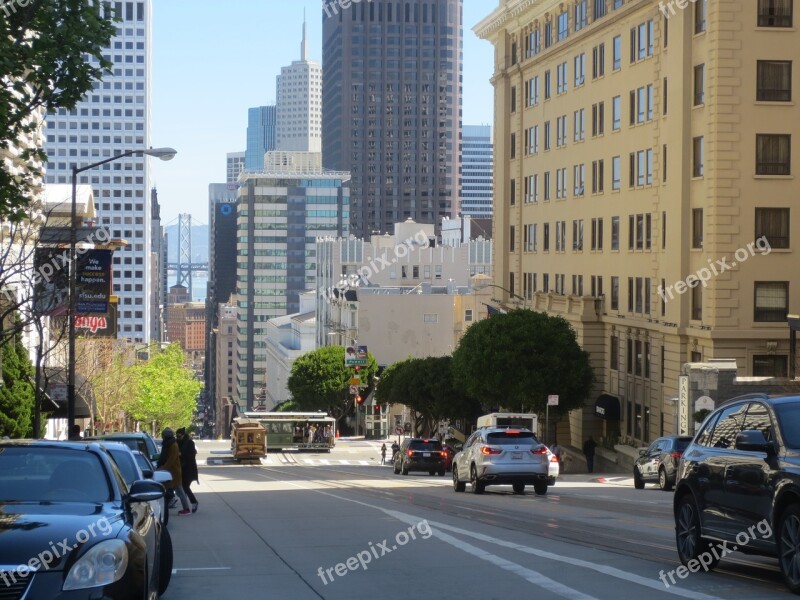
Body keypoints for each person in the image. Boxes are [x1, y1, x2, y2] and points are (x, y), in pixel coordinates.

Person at [157, 428, 192, 515]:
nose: (162, 437)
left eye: (163, 435)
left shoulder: (173, 445)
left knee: (179, 491)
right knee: (165, 489)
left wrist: (163, 467)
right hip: (169, 472)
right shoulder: (168, 444)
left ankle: (186, 509)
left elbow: (171, 459)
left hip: (174, 472)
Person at [176, 428, 199, 513]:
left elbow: (192, 455)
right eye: (177, 435)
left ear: (183, 435)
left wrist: (181, 454)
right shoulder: (177, 442)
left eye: (179, 435)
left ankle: (193, 502)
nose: (178, 437)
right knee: (182, 488)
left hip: (189, 468)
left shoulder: (189, 443)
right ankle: (187, 506)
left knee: (185, 487)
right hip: (181, 468)